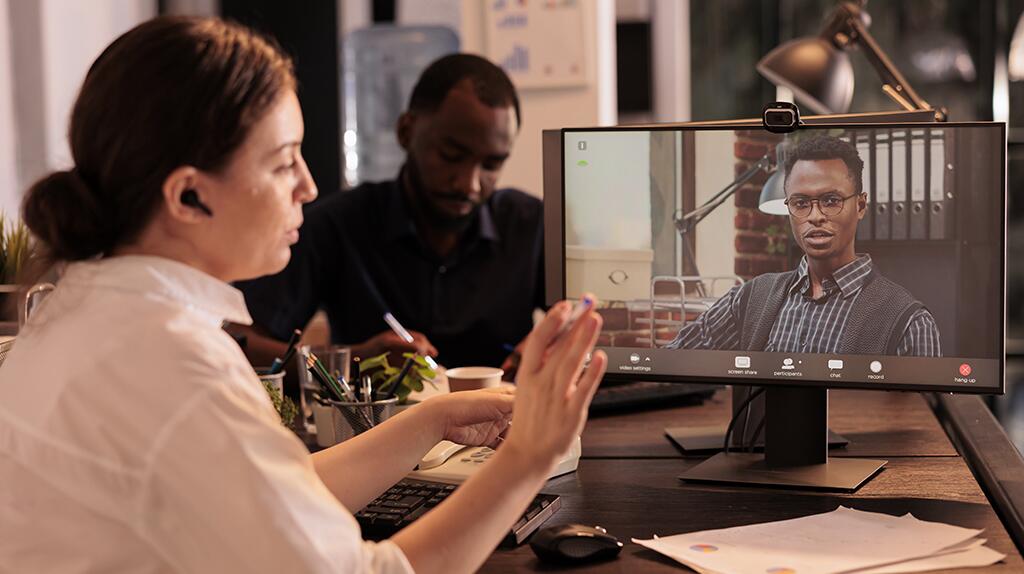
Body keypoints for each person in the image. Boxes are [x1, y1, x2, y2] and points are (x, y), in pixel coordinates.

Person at [0, 17, 607, 574]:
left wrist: (434, 418)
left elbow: (275, 489)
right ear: (188, 197)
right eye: (285, 162)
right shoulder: (174, 366)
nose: (309, 187)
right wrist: (528, 457)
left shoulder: (75, 312)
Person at [235, 53, 543, 372]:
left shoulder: (530, 224)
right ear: (406, 131)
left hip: (511, 420)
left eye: (492, 165)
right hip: (378, 422)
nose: (470, 184)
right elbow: (238, 340)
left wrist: (554, 346)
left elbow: (594, 325)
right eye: (451, 155)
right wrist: (354, 359)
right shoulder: (338, 225)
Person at [668, 135, 941, 356]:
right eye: (800, 203)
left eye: (831, 201)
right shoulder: (749, 299)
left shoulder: (909, 323)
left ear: (860, 205)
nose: (815, 215)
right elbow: (672, 360)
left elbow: (927, 421)